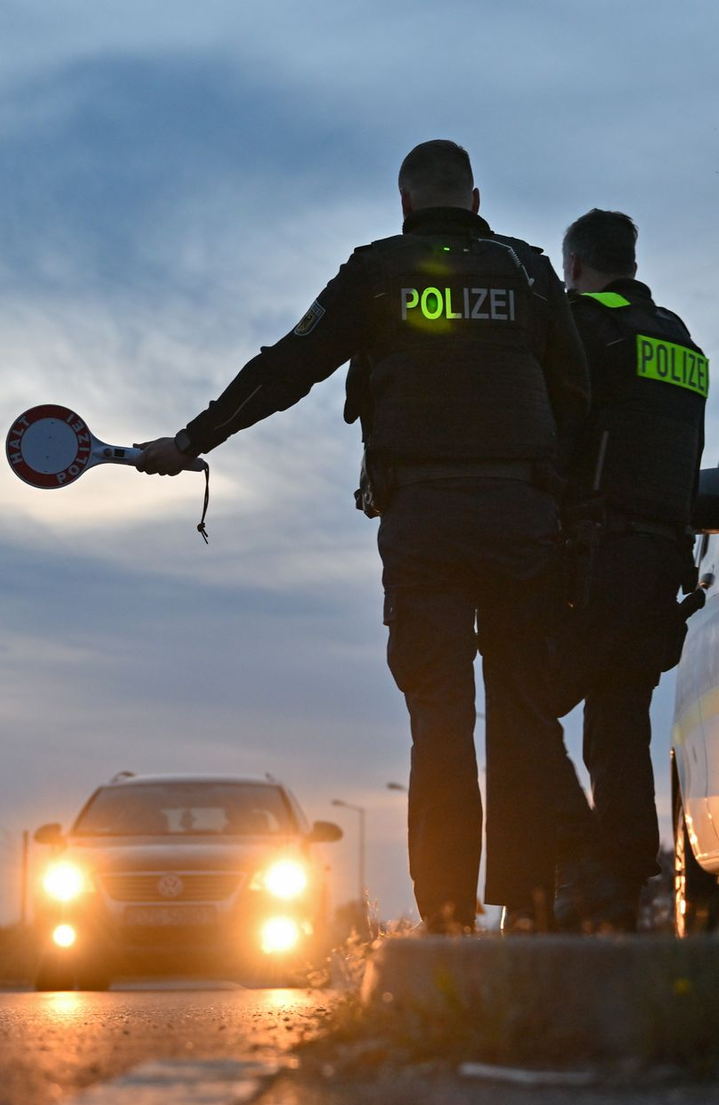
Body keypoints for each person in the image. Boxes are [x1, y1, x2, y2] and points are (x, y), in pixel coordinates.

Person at [135, 140, 589, 932]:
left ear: (405, 203)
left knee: (440, 716)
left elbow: (287, 367)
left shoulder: (376, 270)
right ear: (474, 199)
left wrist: (194, 440)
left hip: (424, 521)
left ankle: (445, 919)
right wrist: (560, 505)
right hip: (523, 517)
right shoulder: (527, 271)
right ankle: (532, 913)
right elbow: (575, 392)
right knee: (525, 713)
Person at [551, 208, 709, 931]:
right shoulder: (680, 339)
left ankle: (580, 875)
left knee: (528, 706)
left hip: (593, 557)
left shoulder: (584, 326)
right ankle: (619, 894)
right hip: (660, 568)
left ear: (576, 265)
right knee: (619, 733)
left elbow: (558, 437)